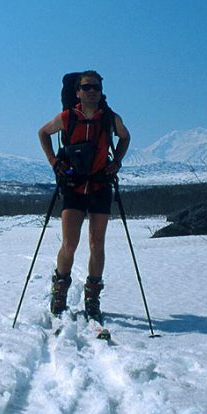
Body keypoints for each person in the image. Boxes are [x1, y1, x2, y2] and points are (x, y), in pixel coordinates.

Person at [37, 70, 131, 322]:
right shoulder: (67, 118)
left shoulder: (109, 118)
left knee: (96, 244)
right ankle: (60, 291)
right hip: (74, 186)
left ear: (101, 92)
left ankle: (92, 297)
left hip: (100, 185)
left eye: (96, 88)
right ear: (77, 92)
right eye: (87, 87)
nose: (92, 91)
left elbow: (125, 137)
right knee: (69, 244)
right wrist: (54, 162)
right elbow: (43, 133)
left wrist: (117, 161)